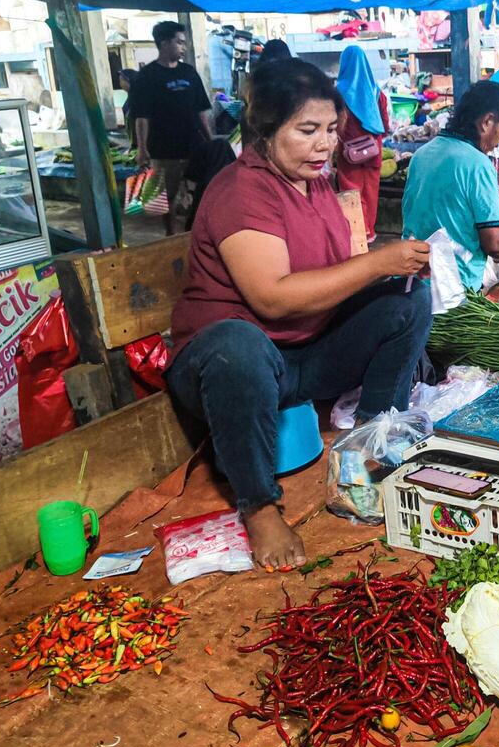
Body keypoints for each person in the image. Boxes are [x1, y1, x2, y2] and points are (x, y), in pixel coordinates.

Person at [165, 59, 432, 567]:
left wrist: (389, 266)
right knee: (238, 346)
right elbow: (273, 298)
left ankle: (374, 441)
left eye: (331, 129)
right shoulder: (242, 190)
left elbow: (337, 269)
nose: (325, 144)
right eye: (307, 130)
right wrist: (376, 262)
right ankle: (259, 505)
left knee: (405, 298)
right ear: (265, 132)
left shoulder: (315, 184)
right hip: (229, 368)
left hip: (301, 354)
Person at [402, 80, 499, 291]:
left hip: (412, 280)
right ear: (487, 121)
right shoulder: (477, 164)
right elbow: (493, 242)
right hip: (453, 286)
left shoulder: (421, 154)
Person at [126, 20, 214, 235]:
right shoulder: (147, 77)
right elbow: (141, 118)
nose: (184, 47)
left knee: (201, 190)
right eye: (179, 42)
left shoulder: (189, 72)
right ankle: (170, 233)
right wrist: (142, 149)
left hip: (194, 145)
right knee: (165, 195)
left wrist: (210, 141)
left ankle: (195, 230)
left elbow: (201, 111)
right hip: (164, 149)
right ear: (164, 43)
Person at [333, 45, 390, 241]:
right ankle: (370, 232)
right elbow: (385, 124)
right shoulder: (377, 93)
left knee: (351, 192)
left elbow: (336, 125)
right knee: (371, 192)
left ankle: (357, 234)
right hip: (374, 151)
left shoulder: (339, 93)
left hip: (349, 154)